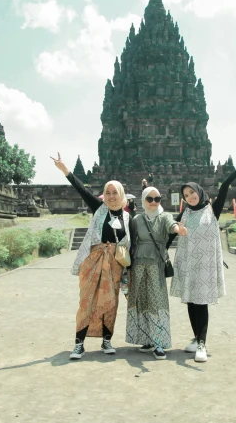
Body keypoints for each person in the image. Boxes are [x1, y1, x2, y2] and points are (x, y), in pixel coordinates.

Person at [168, 151, 236, 362]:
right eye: (186, 195)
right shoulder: (186, 214)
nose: (190, 197)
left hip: (205, 267)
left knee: (202, 303)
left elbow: (224, 186)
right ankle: (196, 337)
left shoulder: (211, 210)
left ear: (199, 191)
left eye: (192, 193)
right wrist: (162, 247)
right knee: (190, 302)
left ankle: (202, 344)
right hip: (189, 265)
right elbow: (172, 233)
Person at [51, 152, 131, 360]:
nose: (112, 196)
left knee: (110, 302)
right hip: (93, 259)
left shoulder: (127, 217)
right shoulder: (99, 208)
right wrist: (66, 170)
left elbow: (131, 242)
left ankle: (107, 340)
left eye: (115, 192)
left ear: (121, 194)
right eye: (108, 192)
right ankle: (79, 343)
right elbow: (82, 190)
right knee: (86, 301)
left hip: (114, 264)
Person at [127, 187, 186, 360]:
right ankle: (147, 338)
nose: (153, 202)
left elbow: (172, 225)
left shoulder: (164, 216)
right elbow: (130, 241)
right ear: (144, 200)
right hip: (138, 263)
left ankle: (159, 341)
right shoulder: (137, 219)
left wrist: (178, 230)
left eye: (157, 199)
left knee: (157, 300)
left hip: (155, 264)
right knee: (141, 299)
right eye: (150, 199)